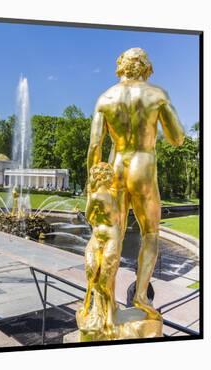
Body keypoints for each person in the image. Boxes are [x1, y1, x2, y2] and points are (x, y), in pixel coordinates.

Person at [87, 47, 185, 319]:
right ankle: (141, 296)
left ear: (121, 66)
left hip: (116, 165)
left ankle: (103, 305)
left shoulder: (105, 98)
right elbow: (178, 138)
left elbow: (95, 147)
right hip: (143, 166)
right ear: (145, 67)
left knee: (110, 235)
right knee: (150, 233)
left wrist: (91, 188)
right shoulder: (157, 95)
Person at [78, 162, 122, 334]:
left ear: (96, 178)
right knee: (100, 278)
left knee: (101, 280)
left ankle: (107, 316)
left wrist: (90, 193)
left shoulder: (97, 196)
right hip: (105, 238)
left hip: (103, 237)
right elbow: (116, 218)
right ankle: (105, 315)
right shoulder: (113, 196)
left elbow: (89, 217)